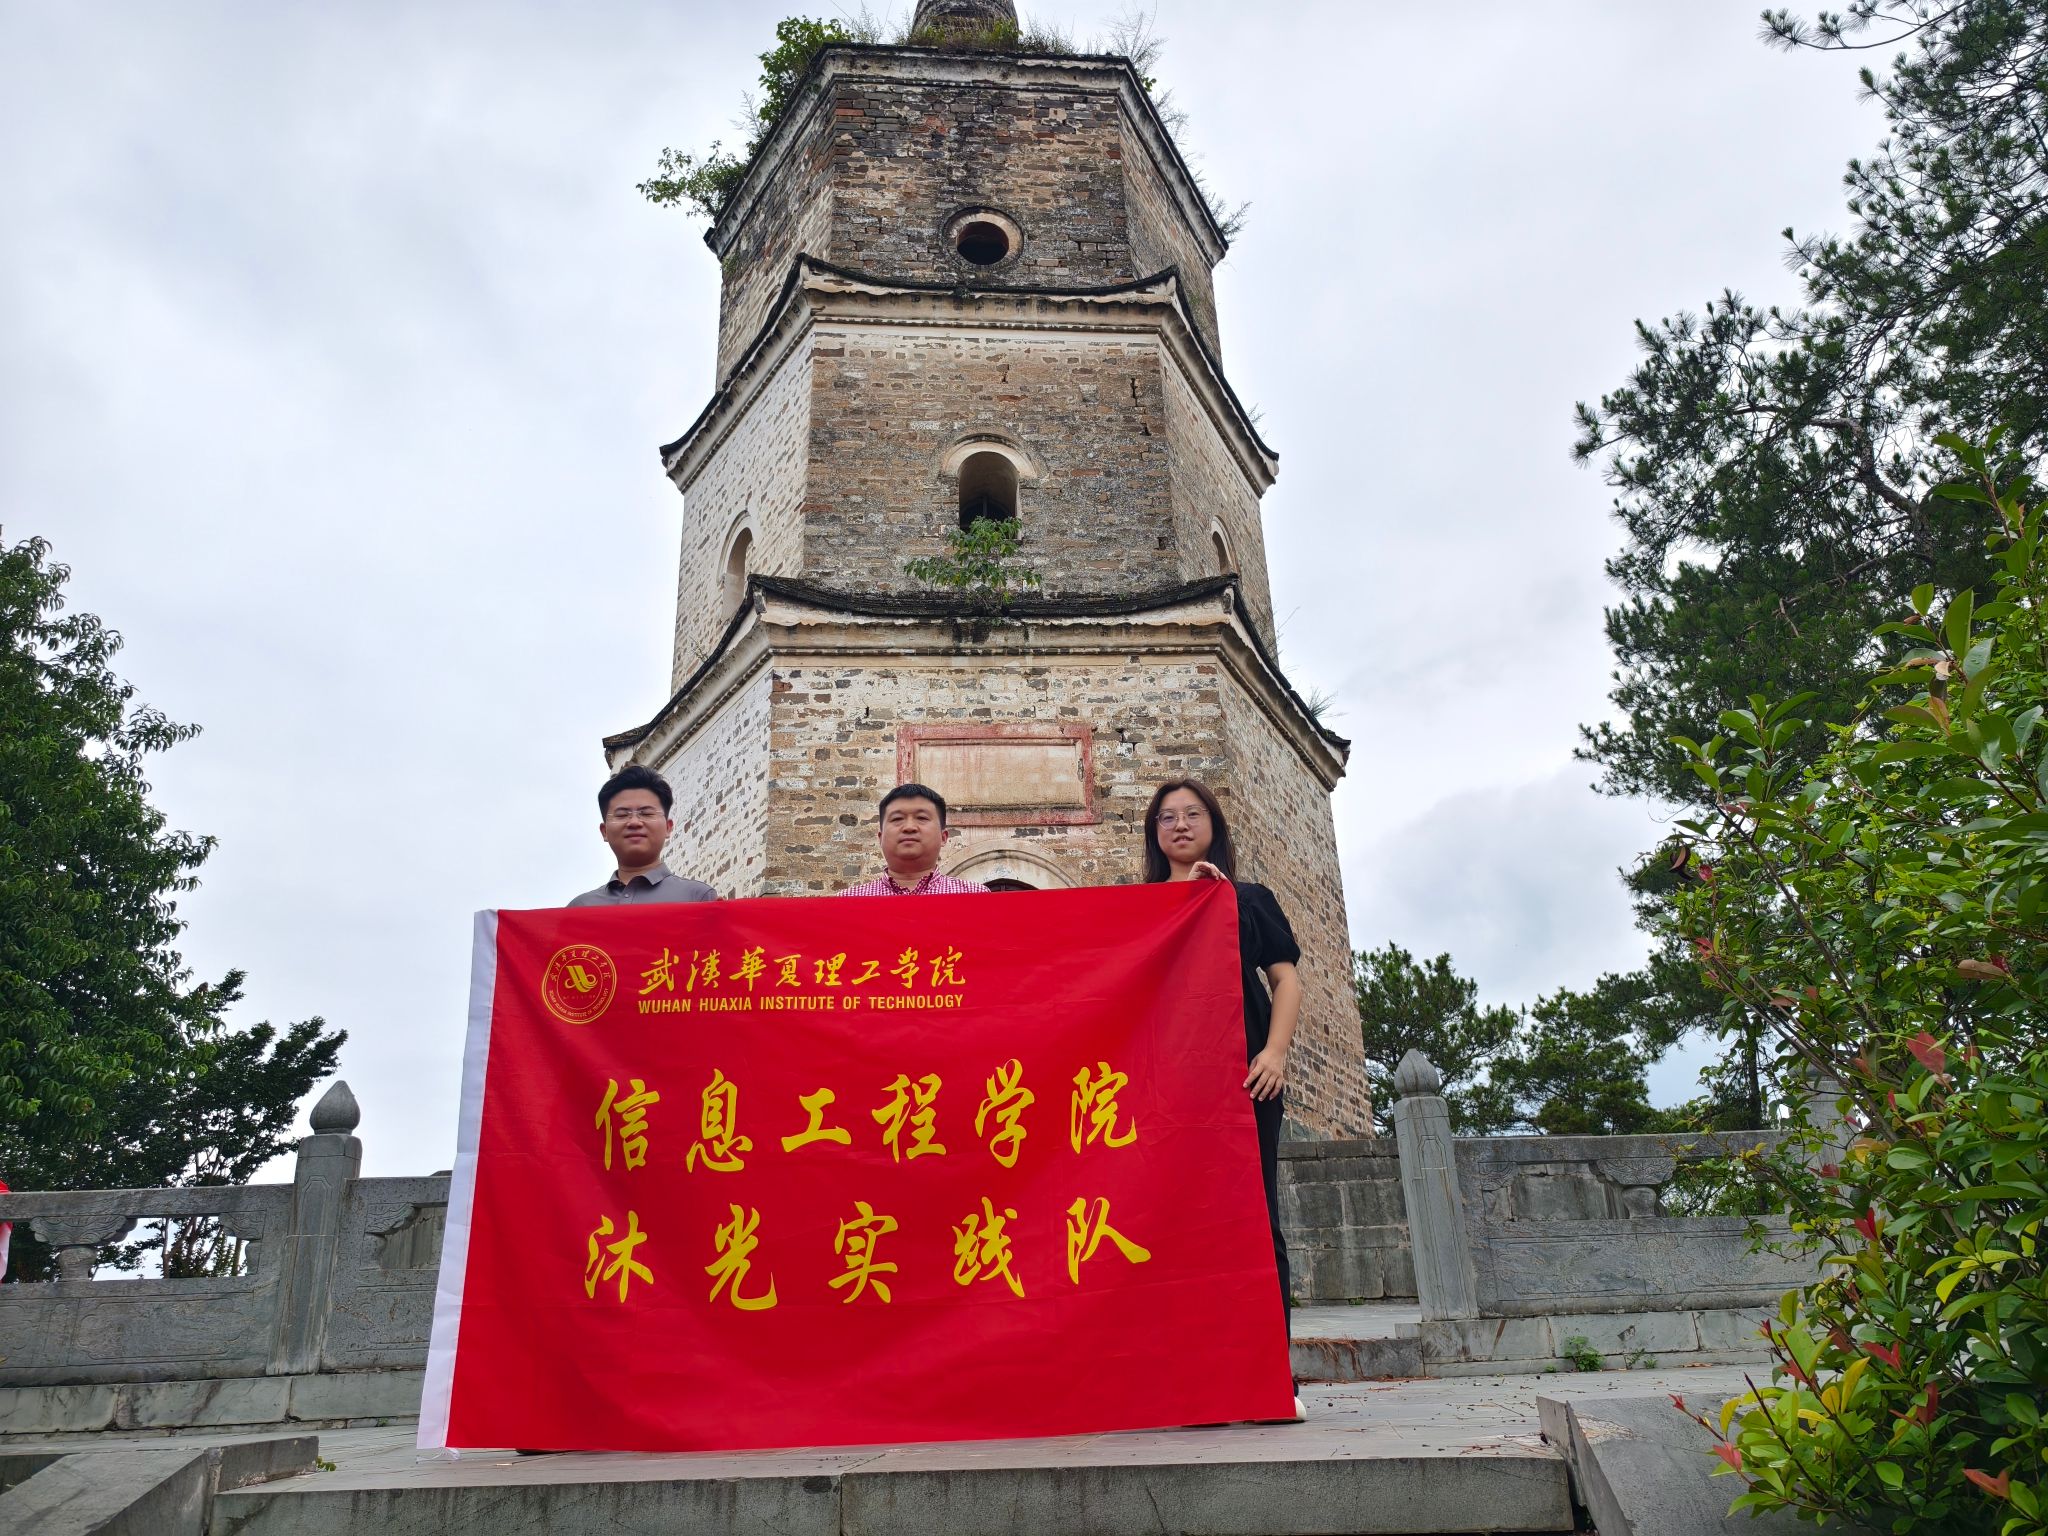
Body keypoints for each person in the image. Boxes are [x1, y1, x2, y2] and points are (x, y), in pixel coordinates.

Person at [1143, 777, 1306, 1421]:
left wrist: (1275, 1052)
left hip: (1244, 1078)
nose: (1181, 825)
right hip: (1168, 1087)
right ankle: (1194, 1381)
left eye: (1193, 813)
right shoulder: (1141, 907)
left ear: (1214, 824)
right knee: (1174, 1225)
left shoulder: (1247, 898)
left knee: (1256, 1219)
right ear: (1154, 834)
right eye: (1167, 817)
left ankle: (1272, 1379)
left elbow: (1285, 979)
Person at [567, 765, 718, 907]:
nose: (634, 822)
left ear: (668, 827)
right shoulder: (580, 908)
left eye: (646, 813)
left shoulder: (698, 898)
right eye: (622, 815)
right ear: (604, 831)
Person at [838, 783, 988, 896]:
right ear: (880, 837)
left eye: (922, 818)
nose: (909, 827)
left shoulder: (976, 897)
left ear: (943, 837)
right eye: (897, 819)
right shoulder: (847, 903)